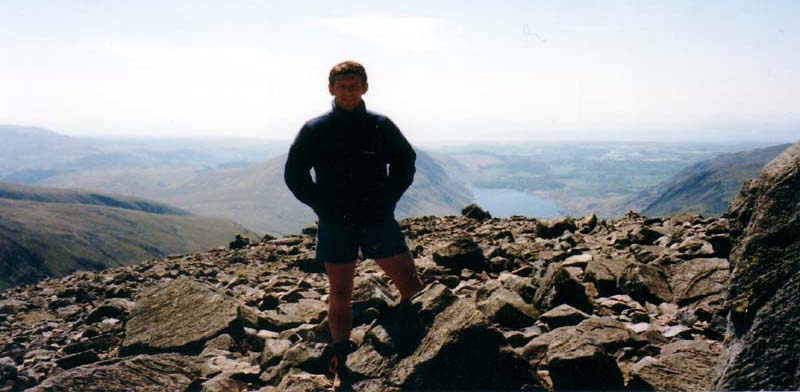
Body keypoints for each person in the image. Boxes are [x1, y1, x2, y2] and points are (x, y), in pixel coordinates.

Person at [284, 60, 424, 389]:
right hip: (336, 223)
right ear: (331, 88)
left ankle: (413, 340)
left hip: (377, 217)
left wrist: (388, 199)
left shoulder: (380, 125)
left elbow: (406, 161)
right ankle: (342, 354)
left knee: (409, 282)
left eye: (354, 85)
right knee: (341, 294)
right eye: (342, 86)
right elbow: (295, 174)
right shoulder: (314, 129)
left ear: (365, 88)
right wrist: (321, 205)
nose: (348, 92)